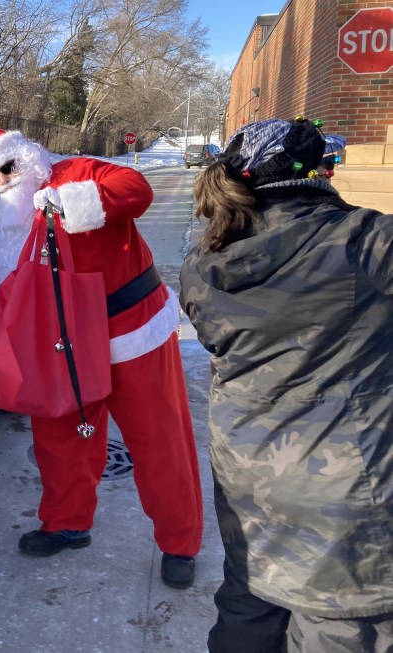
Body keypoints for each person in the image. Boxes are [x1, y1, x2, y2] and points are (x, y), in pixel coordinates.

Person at [0, 127, 203, 589]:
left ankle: (179, 543)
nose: (4, 182)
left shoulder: (75, 172)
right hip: (62, 348)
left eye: (8, 168)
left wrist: (71, 202)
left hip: (131, 332)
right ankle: (67, 524)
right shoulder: (4, 233)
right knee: (61, 441)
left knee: (159, 441)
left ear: (24, 157)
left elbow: (137, 190)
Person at [179, 116, 393, 652]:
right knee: (340, 629)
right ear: (322, 173)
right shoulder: (368, 243)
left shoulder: (205, 261)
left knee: (248, 610)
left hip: (250, 483)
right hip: (348, 499)